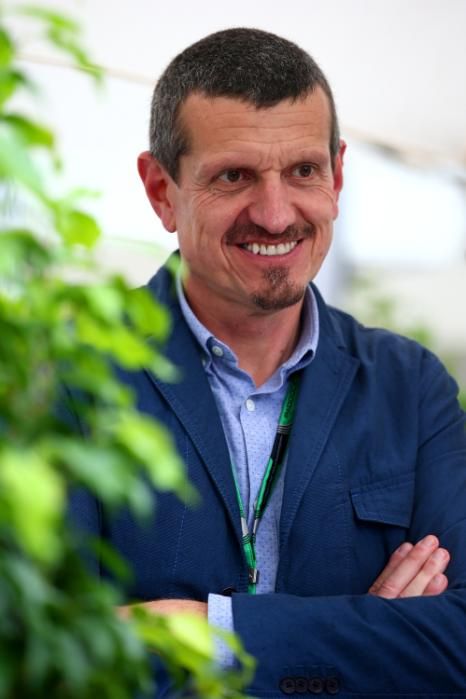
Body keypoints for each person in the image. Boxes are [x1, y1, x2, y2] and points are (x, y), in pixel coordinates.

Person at [70, 28, 466, 697]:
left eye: (303, 171)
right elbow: (56, 660)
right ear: (161, 190)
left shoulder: (410, 385)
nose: (276, 213)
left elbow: (457, 646)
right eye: (235, 176)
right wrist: (368, 642)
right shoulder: (71, 378)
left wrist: (210, 630)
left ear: (338, 176)